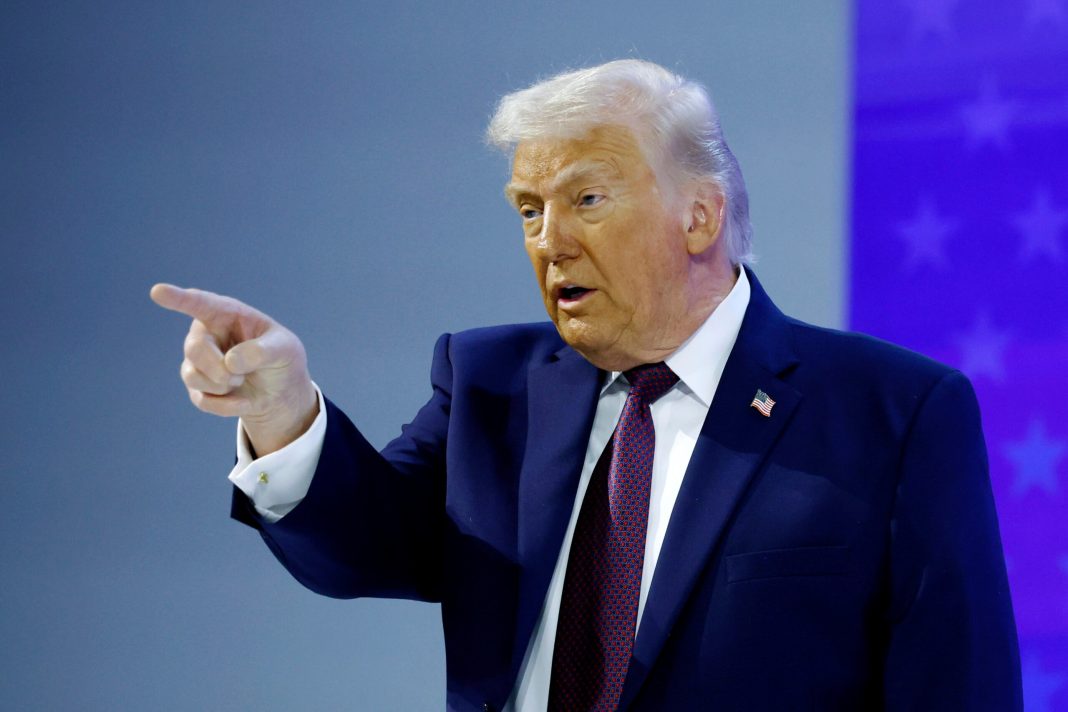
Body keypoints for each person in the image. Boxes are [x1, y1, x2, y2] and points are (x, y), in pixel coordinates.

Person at [151, 60, 1021, 711]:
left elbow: (958, 683)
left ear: (700, 214)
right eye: (529, 209)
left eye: (586, 200)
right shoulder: (490, 385)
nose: (548, 240)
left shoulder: (891, 412)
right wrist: (279, 411)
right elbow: (363, 548)